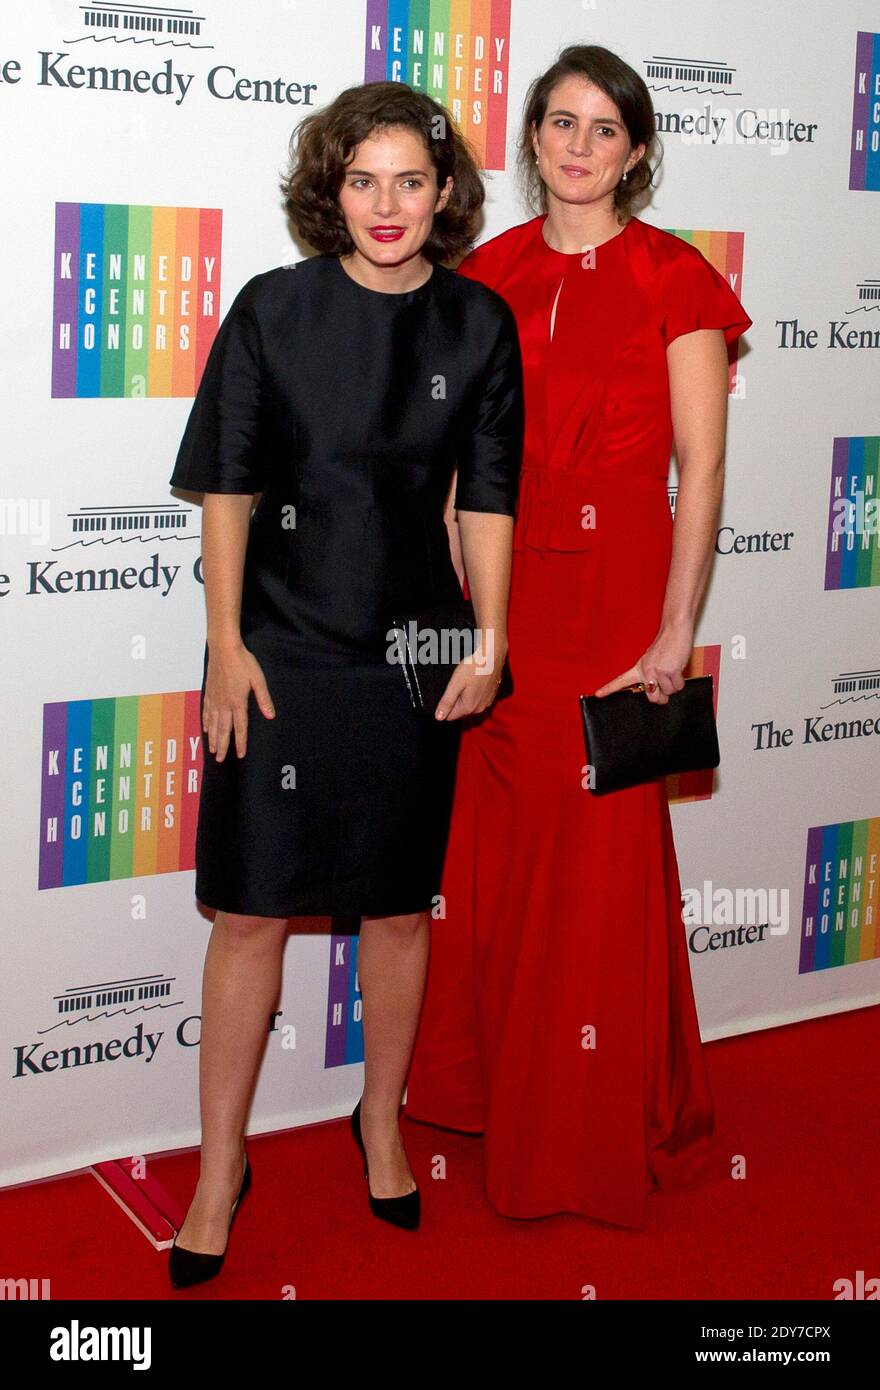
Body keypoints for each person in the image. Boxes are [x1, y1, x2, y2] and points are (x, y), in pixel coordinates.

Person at [166, 80, 524, 1286]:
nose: (386, 204)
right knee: (252, 912)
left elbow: (486, 499)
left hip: (413, 651)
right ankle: (221, 1161)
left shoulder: (478, 326)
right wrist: (225, 639)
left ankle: (380, 1118)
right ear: (330, 188)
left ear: (444, 195)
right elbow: (225, 482)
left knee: (394, 907)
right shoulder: (274, 308)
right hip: (278, 644)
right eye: (361, 180)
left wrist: (489, 641)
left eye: (410, 181)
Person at [405, 45, 753, 1228]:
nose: (578, 144)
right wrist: (458, 561)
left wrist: (674, 631)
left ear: (637, 150)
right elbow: (460, 451)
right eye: (560, 121)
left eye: (605, 128)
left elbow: (700, 469)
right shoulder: (486, 272)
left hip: (616, 601)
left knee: (596, 862)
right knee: (503, 858)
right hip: (508, 604)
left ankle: (588, 1133)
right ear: (533, 138)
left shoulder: (674, 278)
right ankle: (500, 1093)